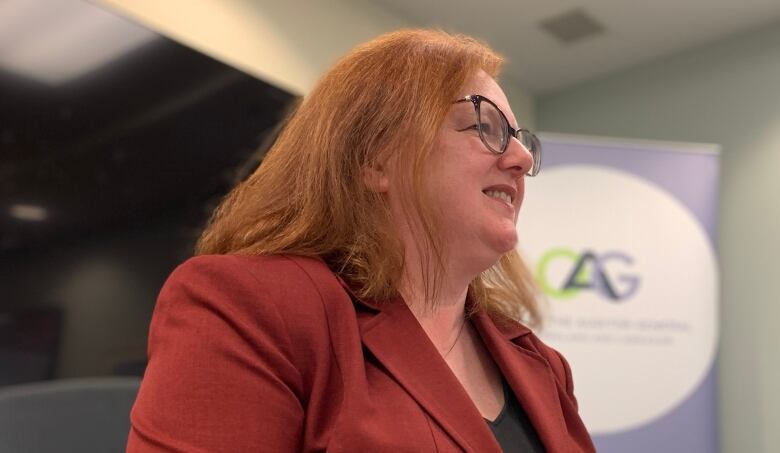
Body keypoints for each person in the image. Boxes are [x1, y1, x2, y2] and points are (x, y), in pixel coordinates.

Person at [127, 29, 595, 453]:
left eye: (519, 139)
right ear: (374, 158)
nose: (518, 157)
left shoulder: (543, 366)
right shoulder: (250, 305)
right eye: (484, 126)